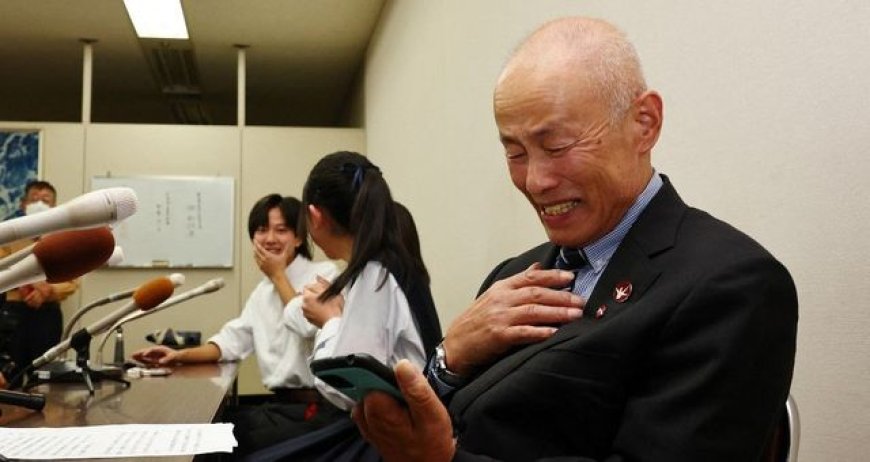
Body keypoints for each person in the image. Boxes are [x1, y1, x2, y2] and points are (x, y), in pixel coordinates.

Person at [352, 17, 798, 462]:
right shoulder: (513, 276)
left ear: (645, 123)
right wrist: (450, 359)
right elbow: (433, 426)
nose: (536, 180)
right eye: (515, 153)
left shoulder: (730, 284)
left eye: (558, 146)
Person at [132, 194, 339, 456]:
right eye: (262, 230)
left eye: (281, 230)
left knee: (221, 444)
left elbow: (306, 323)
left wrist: (277, 276)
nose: (270, 239)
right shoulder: (262, 292)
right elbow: (230, 342)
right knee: (208, 431)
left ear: (299, 237)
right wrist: (178, 355)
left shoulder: (325, 274)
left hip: (316, 409)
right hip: (279, 406)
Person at [300, 152, 442, 401]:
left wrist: (330, 321)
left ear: (315, 216)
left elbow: (343, 388)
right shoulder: (391, 266)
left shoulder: (375, 276)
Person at [0, 180, 80, 387]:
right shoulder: (7, 235)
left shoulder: (63, 239)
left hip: (47, 313)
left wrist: (48, 290)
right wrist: (34, 283)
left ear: (54, 207)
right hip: (12, 312)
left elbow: (72, 281)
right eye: (34, 199)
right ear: (22, 204)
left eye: (46, 200)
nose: (39, 203)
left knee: (44, 374)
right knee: (10, 373)